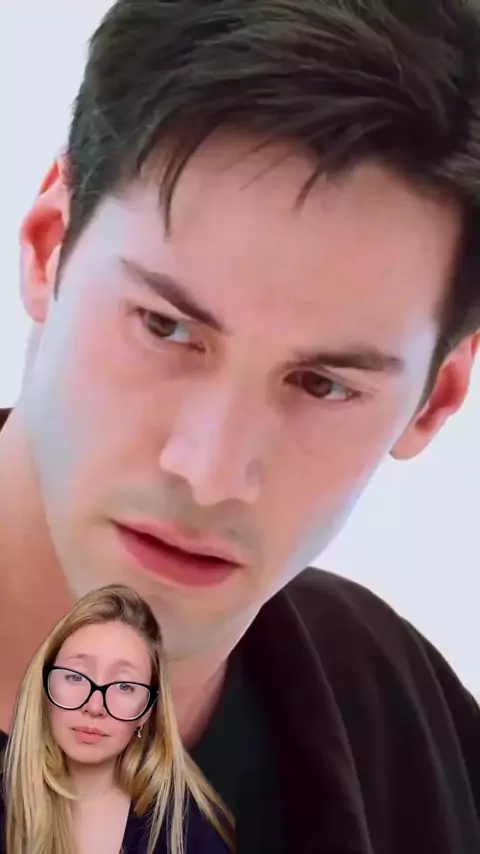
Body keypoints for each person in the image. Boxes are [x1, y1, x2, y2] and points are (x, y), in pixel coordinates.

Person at [0, 0, 479, 851]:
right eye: (165, 327)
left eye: (322, 385)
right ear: (47, 248)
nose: (210, 470)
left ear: (436, 398)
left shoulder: (402, 720)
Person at [0, 584, 233, 854]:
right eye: (75, 677)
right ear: (45, 687)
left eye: (124, 686)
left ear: (146, 710)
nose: (94, 706)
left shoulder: (188, 833)